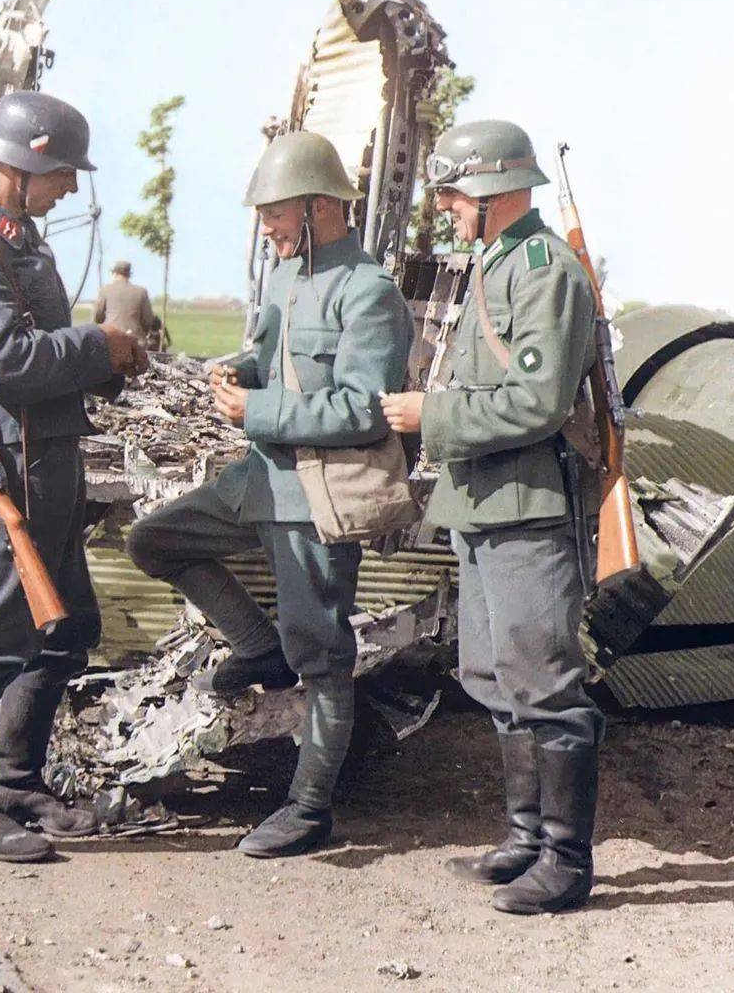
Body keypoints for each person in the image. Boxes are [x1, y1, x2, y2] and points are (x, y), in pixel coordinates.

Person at [127, 131, 413, 858]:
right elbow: (272, 356)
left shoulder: (369, 290)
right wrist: (241, 372)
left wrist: (254, 411)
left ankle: (310, 809)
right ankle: (257, 648)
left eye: (275, 213)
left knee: (321, 656)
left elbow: (360, 410)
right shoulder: (286, 275)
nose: (267, 228)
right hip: (260, 477)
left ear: (319, 207)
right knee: (154, 540)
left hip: (315, 495)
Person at [381, 119, 602, 915]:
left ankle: (567, 861)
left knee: (544, 682)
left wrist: (429, 416)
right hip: (481, 504)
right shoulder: (495, 265)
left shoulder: (545, 271)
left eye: (451, 191)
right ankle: (525, 836)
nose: (443, 205)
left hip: (530, 507)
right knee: (489, 672)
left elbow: (538, 403)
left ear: (493, 188)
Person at [0, 90, 149, 864]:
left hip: (49, 469)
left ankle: (16, 781)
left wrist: (111, 361)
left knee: (67, 633)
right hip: (3, 478)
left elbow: (49, 351)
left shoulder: (23, 246)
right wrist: (98, 347)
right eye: (61, 171)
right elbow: (5, 364)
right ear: (18, 165)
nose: (72, 188)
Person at [92, 260, 156, 343]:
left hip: (110, 338)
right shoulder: (141, 292)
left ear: (114, 273)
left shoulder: (105, 290)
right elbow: (148, 320)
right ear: (129, 275)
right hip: (135, 340)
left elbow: (98, 316)